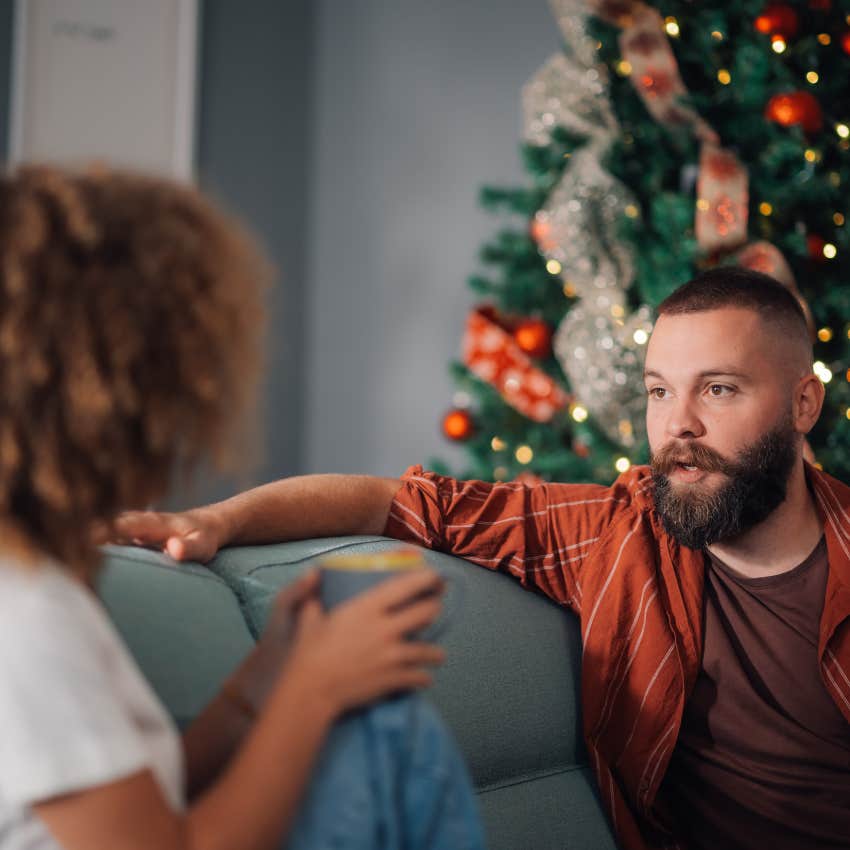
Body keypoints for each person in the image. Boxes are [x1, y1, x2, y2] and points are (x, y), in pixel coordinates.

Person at [116, 265, 850, 850]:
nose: (678, 426)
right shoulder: (620, 535)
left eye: (718, 389)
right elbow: (392, 502)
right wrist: (214, 519)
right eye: (660, 392)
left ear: (802, 406)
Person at [0, 164, 486, 850]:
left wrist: (269, 677)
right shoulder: (23, 613)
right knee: (388, 733)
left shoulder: (36, 583)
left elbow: (148, 814)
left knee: (385, 727)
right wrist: (315, 689)